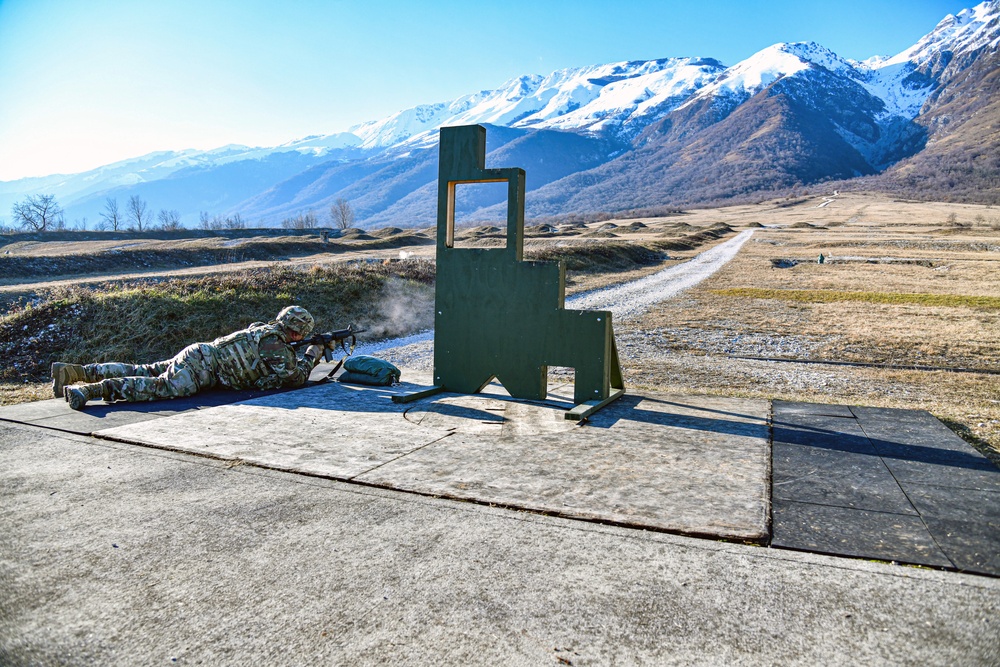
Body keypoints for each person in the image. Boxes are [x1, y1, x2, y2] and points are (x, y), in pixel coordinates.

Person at [52, 306, 327, 411]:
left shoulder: (263, 330)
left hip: (199, 355)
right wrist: (313, 354)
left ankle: (76, 371)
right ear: (297, 330)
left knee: (146, 369)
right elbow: (295, 378)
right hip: (201, 370)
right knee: (159, 387)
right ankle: (89, 390)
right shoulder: (274, 344)